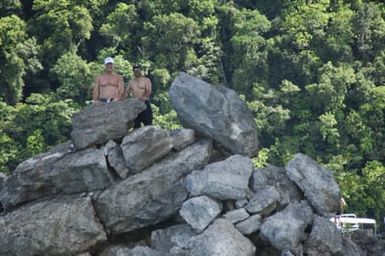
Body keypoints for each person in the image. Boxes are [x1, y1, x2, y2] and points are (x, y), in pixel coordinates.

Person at [125, 64, 153, 128]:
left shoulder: (146, 80)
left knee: (148, 123)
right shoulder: (131, 81)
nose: (137, 72)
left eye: (138, 70)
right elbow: (126, 92)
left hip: (144, 103)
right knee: (136, 124)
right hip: (135, 104)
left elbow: (148, 91)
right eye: (135, 71)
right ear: (133, 72)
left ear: (141, 70)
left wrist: (144, 97)